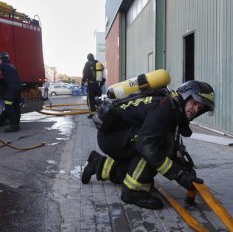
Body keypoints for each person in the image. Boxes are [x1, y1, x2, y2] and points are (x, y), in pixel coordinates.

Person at [81, 80, 215, 210]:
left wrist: (183, 167)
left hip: (117, 137)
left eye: (200, 107)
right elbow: (146, 145)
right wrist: (179, 175)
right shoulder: (165, 107)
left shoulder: (173, 108)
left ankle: (98, 163)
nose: (196, 109)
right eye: (194, 103)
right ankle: (132, 192)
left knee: (132, 172)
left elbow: (172, 146)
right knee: (156, 144)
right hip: (113, 138)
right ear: (186, 97)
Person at [0, 52, 22, 133]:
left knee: (8, 106)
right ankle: (17, 124)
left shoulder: (3, 65)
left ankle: (13, 126)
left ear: (2, 59)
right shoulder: (12, 66)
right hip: (18, 88)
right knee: (16, 106)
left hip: (12, 89)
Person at [81, 53, 105, 118]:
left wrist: (82, 83)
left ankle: (93, 114)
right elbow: (103, 74)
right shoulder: (98, 63)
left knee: (90, 100)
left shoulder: (87, 64)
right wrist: (101, 84)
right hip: (98, 84)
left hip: (91, 85)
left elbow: (85, 74)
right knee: (97, 98)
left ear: (88, 58)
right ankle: (101, 110)